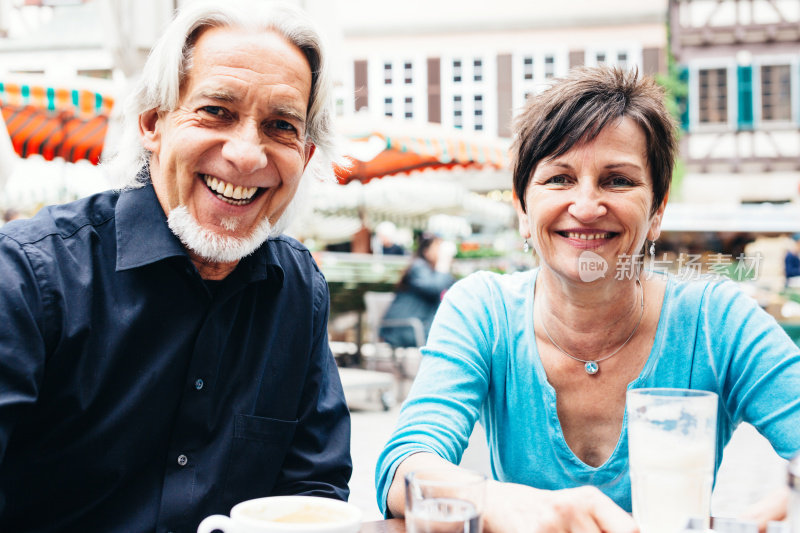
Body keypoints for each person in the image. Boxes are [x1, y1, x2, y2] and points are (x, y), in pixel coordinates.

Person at [375, 66, 800, 533]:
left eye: (617, 180)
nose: (585, 206)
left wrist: (790, 496)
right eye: (558, 178)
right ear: (521, 208)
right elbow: (404, 465)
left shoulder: (715, 321)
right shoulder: (482, 309)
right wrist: (499, 502)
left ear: (657, 212)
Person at [0, 2, 351, 531]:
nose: (247, 155)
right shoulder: (28, 276)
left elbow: (312, 491)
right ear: (152, 124)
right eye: (217, 111)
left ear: (304, 157)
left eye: (280, 125)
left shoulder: (298, 289)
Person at [379, 233, 455, 348]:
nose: (441, 252)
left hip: (416, 327)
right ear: (426, 251)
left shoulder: (432, 272)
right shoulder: (418, 267)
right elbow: (434, 288)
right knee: (449, 339)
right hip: (404, 329)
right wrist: (443, 264)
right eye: (437, 247)